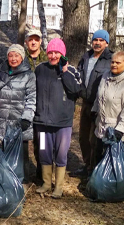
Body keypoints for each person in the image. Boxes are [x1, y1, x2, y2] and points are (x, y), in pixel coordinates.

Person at [33, 38, 81, 198]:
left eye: (57, 53)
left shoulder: (71, 71)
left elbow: (76, 91)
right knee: (43, 153)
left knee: (61, 155)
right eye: (51, 52)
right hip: (42, 122)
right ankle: (46, 183)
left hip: (62, 123)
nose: (53, 55)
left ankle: (58, 187)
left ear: (63, 54)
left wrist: (65, 71)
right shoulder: (40, 69)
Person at [0, 44, 36, 183]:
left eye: (17, 55)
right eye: (10, 55)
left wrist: (26, 118)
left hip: (19, 121)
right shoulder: (2, 72)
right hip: (2, 119)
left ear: (22, 57)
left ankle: (21, 183)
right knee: (2, 151)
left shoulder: (29, 75)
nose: (13, 58)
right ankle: (4, 181)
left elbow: (31, 99)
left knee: (21, 154)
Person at [73, 30, 113, 177]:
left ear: (106, 43)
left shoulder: (110, 59)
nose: (97, 43)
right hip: (85, 103)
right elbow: (78, 75)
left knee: (95, 138)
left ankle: (94, 169)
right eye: (95, 40)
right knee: (83, 137)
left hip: (100, 105)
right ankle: (87, 165)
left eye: (101, 40)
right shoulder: (86, 57)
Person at [92, 51, 124, 166]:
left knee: (111, 162)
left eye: (118, 62)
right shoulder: (105, 75)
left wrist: (120, 130)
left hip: (115, 130)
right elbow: (99, 95)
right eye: (112, 62)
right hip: (101, 125)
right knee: (97, 156)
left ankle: (110, 184)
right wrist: (94, 110)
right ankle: (95, 182)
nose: (114, 65)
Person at [24, 28, 49, 180]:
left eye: (36, 39)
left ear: (40, 41)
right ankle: (24, 172)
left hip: (43, 107)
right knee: (24, 140)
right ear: (26, 42)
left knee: (42, 141)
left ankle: (42, 171)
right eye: (30, 39)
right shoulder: (20, 57)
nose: (33, 42)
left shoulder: (48, 58)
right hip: (25, 106)